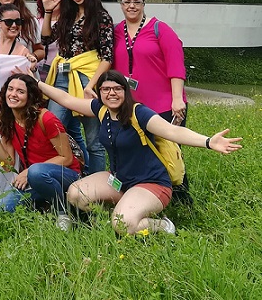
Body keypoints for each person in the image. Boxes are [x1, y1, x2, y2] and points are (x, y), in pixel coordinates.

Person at [34, 70, 241, 235]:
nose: (111, 93)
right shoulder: (101, 109)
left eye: (117, 88)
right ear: (100, 92)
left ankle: (162, 226)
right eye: (106, 89)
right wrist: (36, 82)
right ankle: (122, 211)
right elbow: (67, 99)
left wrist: (208, 141)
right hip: (119, 180)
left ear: (126, 91)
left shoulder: (139, 113)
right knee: (75, 195)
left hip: (151, 183)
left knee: (122, 226)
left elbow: (172, 131)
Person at [0, 73, 81, 229]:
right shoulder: (8, 120)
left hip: (66, 175)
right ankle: (44, 203)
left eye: (20, 91)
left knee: (36, 172)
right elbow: (7, 165)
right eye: (10, 89)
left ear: (30, 96)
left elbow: (67, 158)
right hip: (34, 177)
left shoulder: (46, 118)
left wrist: (29, 171)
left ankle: (63, 212)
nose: (13, 94)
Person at [113, 0, 191, 199]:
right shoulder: (117, 31)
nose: (131, 6)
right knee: (142, 155)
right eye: (127, 2)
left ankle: (181, 197)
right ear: (121, 6)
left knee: (169, 153)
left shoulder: (160, 29)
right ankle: (147, 195)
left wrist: (177, 99)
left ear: (144, 5)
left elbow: (176, 65)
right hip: (133, 108)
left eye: (136, 2)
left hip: (164, 105)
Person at [39, 0, 114, 174]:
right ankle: (65, 175)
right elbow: (46, 39)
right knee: (52, 126)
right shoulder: (68, 15)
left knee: (93, 140)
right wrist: (48, 12)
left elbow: (107, 56)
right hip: (62, 76)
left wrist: (91, 85)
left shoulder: (101, 17)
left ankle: (96, 187)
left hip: (87, 77)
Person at [36, 0, 63, 81]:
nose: (51, 0)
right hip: (38, 70)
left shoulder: (68, 23)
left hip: (61, 72)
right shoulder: (36, 21)